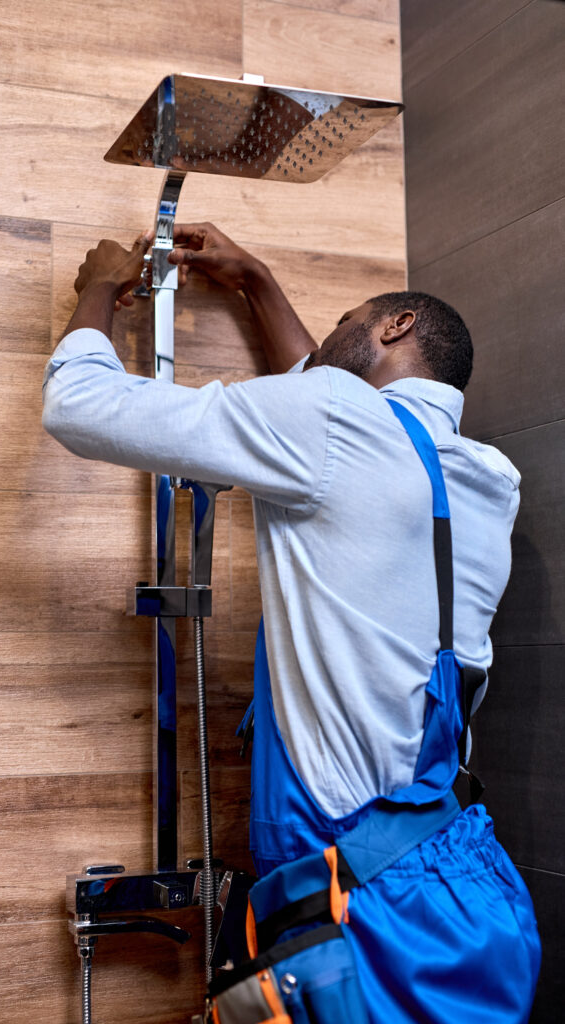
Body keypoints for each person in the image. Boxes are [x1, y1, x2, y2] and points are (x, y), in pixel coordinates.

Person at [42, 223, 541, 1023]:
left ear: (396, 325)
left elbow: (80, 406)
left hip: (342, 885)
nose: (328, 342)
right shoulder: (484, 477)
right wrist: (255, 280)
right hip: (448, 865)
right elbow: (327, 402)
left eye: (348, 319)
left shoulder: (334, 419)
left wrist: (97, 286)